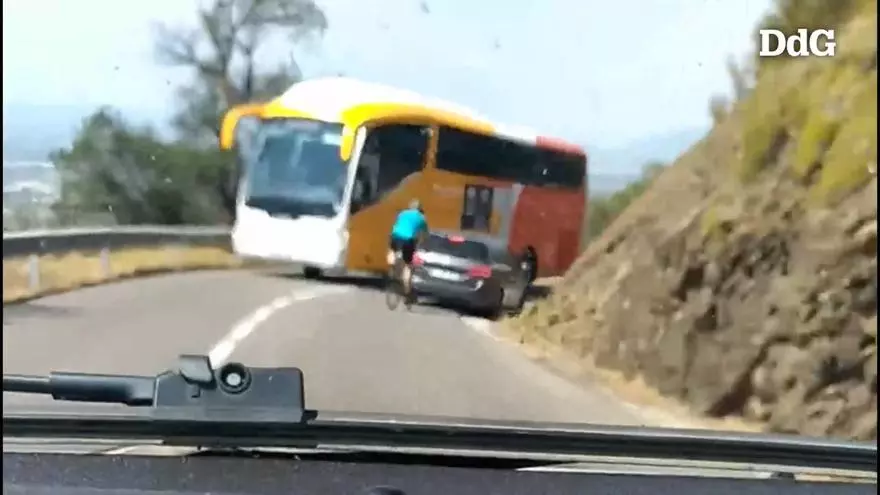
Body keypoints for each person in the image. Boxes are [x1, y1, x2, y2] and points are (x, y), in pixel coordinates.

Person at [388, 199, 429, 292]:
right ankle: (407, 291)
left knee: (392, 250)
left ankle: (391, 264)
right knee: (408, 265)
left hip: (396, 236)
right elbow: (425, 233)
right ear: (419, 209)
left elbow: (396, 225)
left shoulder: (402, 213)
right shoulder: (421, 217)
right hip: (408, 240)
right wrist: (424, 240)